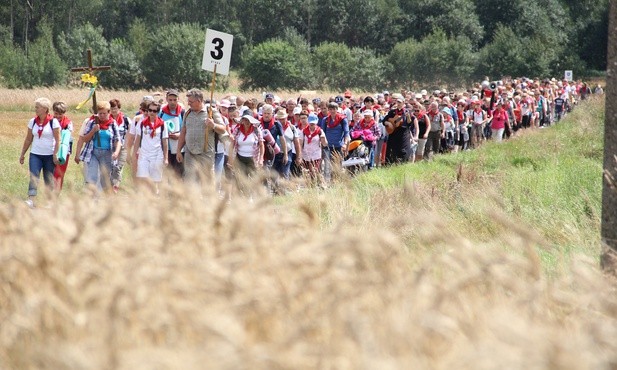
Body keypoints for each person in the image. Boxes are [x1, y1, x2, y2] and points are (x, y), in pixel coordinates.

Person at [176, 88, 227, 184]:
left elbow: (223, 129)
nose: (188, 104)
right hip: (190, 153)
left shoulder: (211, 112)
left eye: (191, 101)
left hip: (206, 153)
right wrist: (178, 150)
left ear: (199, 101)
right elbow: (183, 132)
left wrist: (213, 125)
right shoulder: (187, 114)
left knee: (207, 181)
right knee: (189, 181)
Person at [19, 98, 61, 207]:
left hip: (49, 155)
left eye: (38, 107)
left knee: (48, 178)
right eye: (36, 107)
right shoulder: (32, 121)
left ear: (45, 109)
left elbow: (58, 140)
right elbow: (28, 139)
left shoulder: (53, 122)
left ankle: (49, 201)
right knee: (34, 176)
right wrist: (23, 153)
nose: (35, 109)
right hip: (35, 154)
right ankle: (31, 199)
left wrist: (55, 154)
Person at [77, 101, 121, 195]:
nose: (102, 115)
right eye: (100, 113)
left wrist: (116, 152)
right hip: (93, 153)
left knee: (105, 179)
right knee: (92, 177)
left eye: (104, 113)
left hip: (107, 154)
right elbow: (84, 139)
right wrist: (93, 130)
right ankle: (93, 199)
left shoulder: (112, 124)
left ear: (109, 113)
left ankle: (105, 197)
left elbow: (118, 140)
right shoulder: (92, 122)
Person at [135, 101, 169, 193]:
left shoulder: (162, 124)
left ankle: (154, 196)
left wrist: (166, 158)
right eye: (150, 110)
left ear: (158, 112)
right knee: (143, 177)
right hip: (144, 154)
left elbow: (165, 141)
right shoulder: (142, 123)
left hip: (157, 154)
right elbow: (137, 139)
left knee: (155, 180)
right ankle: (145, 196)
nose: (152, 113)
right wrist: (134, 153)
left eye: (154, 111)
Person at [228, 111, 264, 195]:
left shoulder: (256, 130)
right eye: (245, 120)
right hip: (240, 158)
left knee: (252, 178)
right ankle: (241, 197)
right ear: (242, 120)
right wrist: (230, 158)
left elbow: (261, 145)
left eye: (248, 120)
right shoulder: (238, 130)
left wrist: (261, 158)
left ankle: (250, 196)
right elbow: (232, 144)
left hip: (252, 159)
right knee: (240, 179)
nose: (247, 122)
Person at [158, 89, 185, 179]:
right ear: (166, 99)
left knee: (178, 174)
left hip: (179, 148)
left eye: (174, 100)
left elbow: (186, 129)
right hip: (166, 149)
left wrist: (179, 135)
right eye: (170, 100)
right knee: (167, 174)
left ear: (178, 99)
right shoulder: (161, 112)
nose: (172, 102)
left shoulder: (182, 112)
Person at [320, 102, 350, 182]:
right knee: (327, 166)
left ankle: (336, 182)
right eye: (330, 109)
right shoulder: (325, 120)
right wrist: (322, 146)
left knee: (337, 166)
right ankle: (327, 183)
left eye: (334, 109)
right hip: (327, 147)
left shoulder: (342, 119)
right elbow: (322, 133)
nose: (332, 111)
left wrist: (345, 144)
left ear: (337, 109)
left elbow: (346, 132)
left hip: (339, 146)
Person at [383, 96, 416, 164]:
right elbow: (384, 120)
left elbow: (409, 124)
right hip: (393, 133)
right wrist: (388, 124)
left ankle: (402, 164)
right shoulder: (392, 112)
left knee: (403, 150)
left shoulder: (407, 111)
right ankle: (390, 164)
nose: (398, 103)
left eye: (400, 102)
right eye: (397, 102)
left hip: (403, 134)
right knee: (392, 150)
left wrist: (408, 117)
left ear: (403, 103)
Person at [109, 99, 131, 192]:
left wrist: (128, 144)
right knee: (111, 167)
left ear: (119, 108)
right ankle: (111, 185)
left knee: (119, 167)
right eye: (111, 108)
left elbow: (130, 132)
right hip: (110, 147)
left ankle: (115, 186)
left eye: (115, 108)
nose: (113, 110)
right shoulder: (107, 119)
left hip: (122, 147)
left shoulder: (125, 120)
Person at [300, 113, 328, 186]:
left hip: (316, 155)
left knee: (314, 170)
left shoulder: (320, 131)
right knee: (307, 172)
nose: (312, 125)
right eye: (311, 123)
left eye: (313, 124)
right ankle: (311, 186)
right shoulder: (304, 131)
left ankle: (317, 185)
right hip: (306, 155)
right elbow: (300, 144)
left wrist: (323, 139)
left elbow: (325, 144)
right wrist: (299, 155)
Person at [51, 101, 73, 191]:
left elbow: (67, 138)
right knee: (50, 173)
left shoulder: (68, 123)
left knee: (59, 174)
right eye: (56, 113)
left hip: (63, 152)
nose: (58, 116)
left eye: (61, 114)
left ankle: (55, 196)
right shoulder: (49, 121)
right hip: (51, 150)